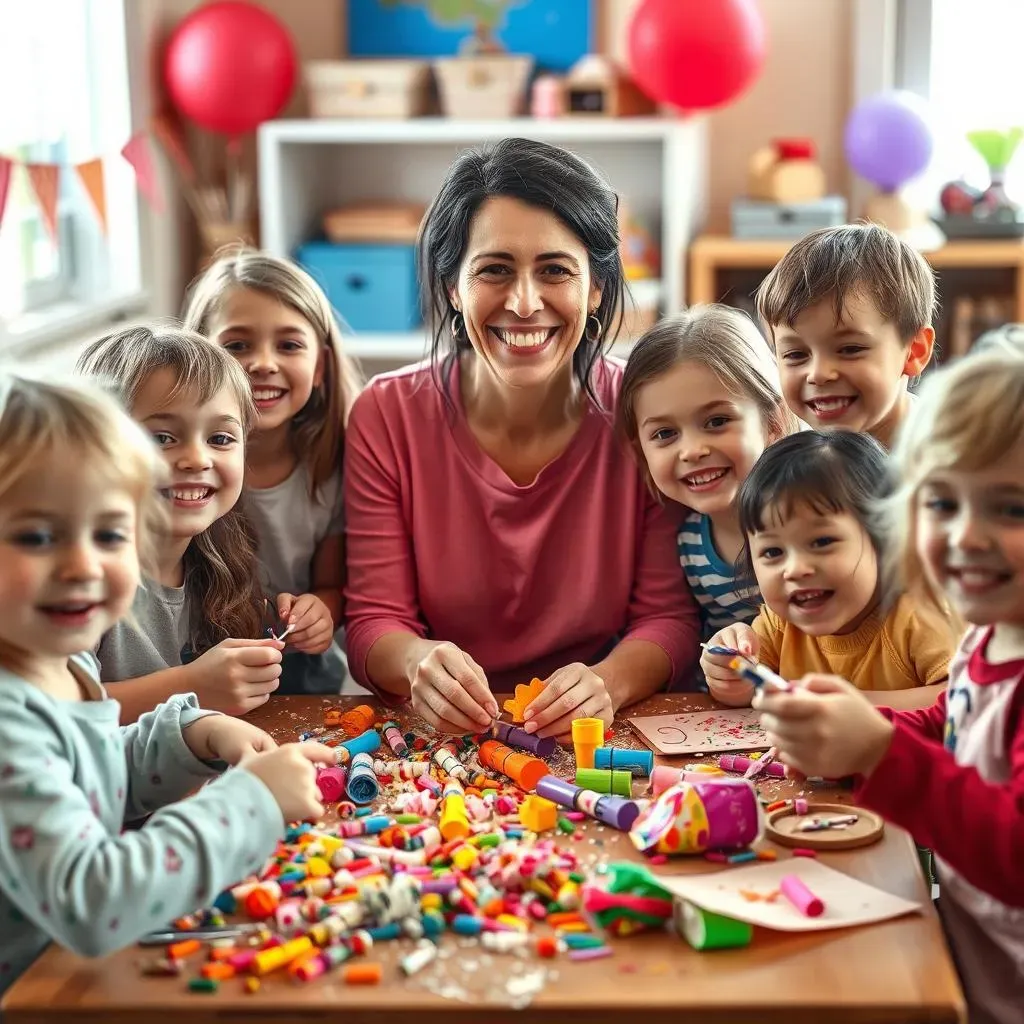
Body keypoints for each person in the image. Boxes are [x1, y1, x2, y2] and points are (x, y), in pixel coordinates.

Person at [344, 137, 699, 741]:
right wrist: (415, 663)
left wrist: (608, 681)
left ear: (595, 290)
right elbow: (375, 620)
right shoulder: (386, 414)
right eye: (494, 270)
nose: (525, 302)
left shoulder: (647, 414)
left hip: (598, 734)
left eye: (556, 270)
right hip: (441, 741)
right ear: (454, 288)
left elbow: (667, 617)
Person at [0, 373, 333, 998]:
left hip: (75, 978)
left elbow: (92, 774)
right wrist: (250, 804)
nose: (82, 565)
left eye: (109, 533)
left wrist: (190, 735)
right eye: (37, 537)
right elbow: (91, 897)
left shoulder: (63, 661)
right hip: (32, 994)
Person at [754, 353, 1024, 1023]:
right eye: (941, 503)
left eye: (1010, 507)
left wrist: (879, 753)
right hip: (969, 957)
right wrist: (848, 737)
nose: (965, 534)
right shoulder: (988, 639)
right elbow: (950, 721)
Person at [75, 326, 290, 720]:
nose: (196, 459)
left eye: (221, 439)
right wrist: (191, 686)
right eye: (161, 438)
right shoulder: (79, 577)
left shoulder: (218, 562)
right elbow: (52, 709)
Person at [184, 247, 363, 694]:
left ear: (319, 366)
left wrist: (320, 613)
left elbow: (331, 584)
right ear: (196, 358)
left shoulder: (335, 467)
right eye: (237, 345)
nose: (263, 363)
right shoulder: (184, 473)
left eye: (288, 345)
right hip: (197, 674)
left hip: (303, 677)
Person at [700, 430, 953, 710]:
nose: (794, 570)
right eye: (773, 552)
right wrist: (728, 674)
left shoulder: (919, 613)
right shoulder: (780, 623)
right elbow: (748, 694)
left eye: (822, 542)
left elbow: (968, 701)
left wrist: (853, 707)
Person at [618, 305, 798, 640]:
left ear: (773, 421)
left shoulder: (819, 521)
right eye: (665, 434)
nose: (692, 450)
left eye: (716, 422)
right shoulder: (689, 545)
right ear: (640, 449)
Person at [755, 223, 936, 448]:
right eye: (795, 354)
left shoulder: (954, 463)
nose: (818, 374)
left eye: (850, 349)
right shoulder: (788, 466)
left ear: (914, 351)